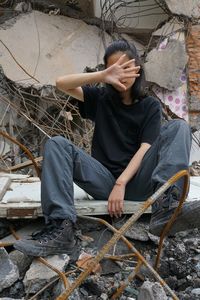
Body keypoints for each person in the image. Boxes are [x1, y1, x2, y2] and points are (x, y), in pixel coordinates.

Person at [14, 40, 200, 257]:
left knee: (178, 127)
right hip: (103, 182)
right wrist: (102, 76)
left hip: (139, 183)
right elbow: (60, 83)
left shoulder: (149, 105)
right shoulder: (100, 99)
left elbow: (144, 149)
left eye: (126, 67)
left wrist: (121, 184)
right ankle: (61, 229)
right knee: (57, 144)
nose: (122, 74)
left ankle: (166, 208)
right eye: (115, 69)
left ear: (137, 68)